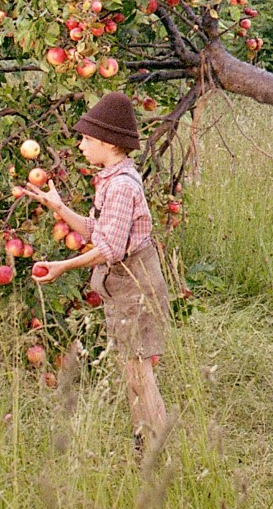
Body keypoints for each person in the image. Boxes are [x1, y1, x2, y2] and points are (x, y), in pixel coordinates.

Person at [27, 91, 171, 452]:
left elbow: (109, 249)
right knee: (133, 374)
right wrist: (60, 208)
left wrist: (63, 266)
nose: (79, 146)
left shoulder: (121, 186)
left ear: (107, 143)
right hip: (124, 288)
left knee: (140, 376)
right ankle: (145, 445)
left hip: (135, 289)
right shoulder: (111, 179)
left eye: (86, 139)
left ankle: (157, 450)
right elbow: (98, 231)